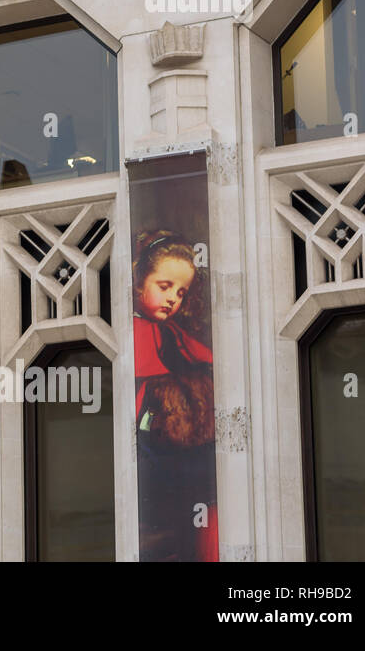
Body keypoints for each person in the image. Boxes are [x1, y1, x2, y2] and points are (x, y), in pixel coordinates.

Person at [132, 230, 218, 561]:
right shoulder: (138, 330)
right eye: (164, 287)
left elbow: (204, 356)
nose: (173, 299)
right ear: (140, 283)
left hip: (184, 447)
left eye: (180, 292)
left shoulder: (171, 331)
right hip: (152, 441)